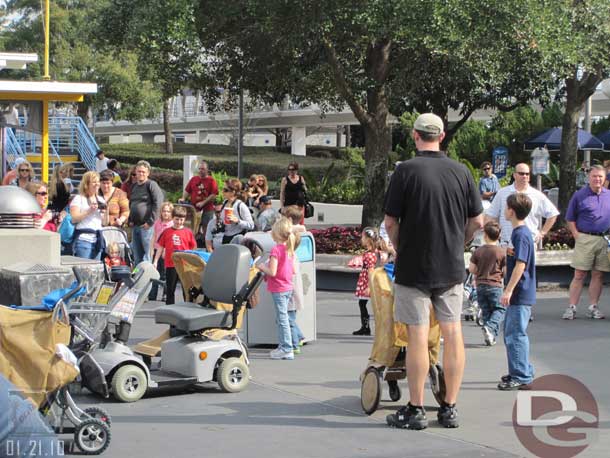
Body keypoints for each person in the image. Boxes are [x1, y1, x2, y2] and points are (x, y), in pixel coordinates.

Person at [384, 113, 483, 430]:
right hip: (451, 266)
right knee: (453, 333)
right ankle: (449, 408)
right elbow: (477, 222)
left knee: (417, 335)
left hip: (413, 266)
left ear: (415, 136)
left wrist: (400, 248)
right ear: (441, 137)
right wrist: (460, 242)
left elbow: (390, 222)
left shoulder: (405, 171)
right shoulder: (461, 172)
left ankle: (415, 409)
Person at [497, 193, 536, 390]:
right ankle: (520, 369)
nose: (504, 210)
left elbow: (521, 264)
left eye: (506, 207)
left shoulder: (520, 234)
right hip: (521, 292)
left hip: (520, 292)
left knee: (515, 334)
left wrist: (508, 290)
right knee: (512, 332)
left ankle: (521, 375)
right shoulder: (520, 233)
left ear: (511, 211)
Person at [563, 165, 610, 320]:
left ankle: (593, 307)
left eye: (600, 177)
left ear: (605, 179)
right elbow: (570, 218)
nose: (597, 179)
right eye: (594, 176)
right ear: (589, 177)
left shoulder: (608, 195)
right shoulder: (579, 195)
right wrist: (577, 235)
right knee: (579, 274)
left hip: (604, 239)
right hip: (585, 238)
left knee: (598, 275)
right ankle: (571, 307)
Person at [485, 163, 559, 246]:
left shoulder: (536, 195)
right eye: (521, 173)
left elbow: (553, 213)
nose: (525, 176)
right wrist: (492, 235)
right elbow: (490, 215)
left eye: (527, 174)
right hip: (506, 243)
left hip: (528, 243)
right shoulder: (502, 193)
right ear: (514, 175)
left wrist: (542, 233)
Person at [256, 217, 297, 360]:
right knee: (283, 317)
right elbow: (293, 271)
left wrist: (261, 266)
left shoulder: (276, 250)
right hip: (288, 287)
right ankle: (284, 346)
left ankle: (286, 348)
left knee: (282, 318)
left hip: (278, 288)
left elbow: (272, 272)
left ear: (276, 233)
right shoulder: (289, 249)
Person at [468, 221, 506, 346]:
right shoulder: (501, 252)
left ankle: (491, 337)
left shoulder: (478, 251)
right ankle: (490, 328)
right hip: (495, 285)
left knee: (486, 311)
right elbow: (505, 271)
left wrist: (480, 270)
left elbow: (472, 269)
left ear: (485, 235)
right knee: (500, 309)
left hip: (480, 285)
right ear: (499, 236)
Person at [153, 206, 196, 305]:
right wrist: (155, 261)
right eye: (177, 219)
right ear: (172, 218)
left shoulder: (188, 232)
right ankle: (170, 307)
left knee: (187, 288)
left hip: (184, 265)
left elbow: (193, 248)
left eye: (181, 219)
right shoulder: (167, 232)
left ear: (184, 219)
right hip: (170, 264)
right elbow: (160, 247)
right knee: (170, 289)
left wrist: (192, 262)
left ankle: (188, 306)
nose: (179, 222)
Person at [352, 227, 390, 336]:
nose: (361, 239)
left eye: (363, 237)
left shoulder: (369, 255)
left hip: (368, 282)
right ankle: (368, 327)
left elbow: (371, 271)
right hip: (375, 281)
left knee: (363, 303)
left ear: (368, 239)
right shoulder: (377, 253)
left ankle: (366, 327)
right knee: (374, 304)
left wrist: (369, 286)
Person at [128, 160, 164, 264]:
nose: (141, 174)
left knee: (147, 256)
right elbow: (131, 203)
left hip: (147, 226)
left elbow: (158, 203)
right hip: (135, 226)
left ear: (148, 173)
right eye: (139, 171)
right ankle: (138, 278)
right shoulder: (134, 186)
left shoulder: (151, 185)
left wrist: (150, 222)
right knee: (137, 256)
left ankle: (148, 278)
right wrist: (130, 219)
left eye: (143, 172)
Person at [70, 171, 108, 260]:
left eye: (98, 182)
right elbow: (74, 219)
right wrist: (89, 211)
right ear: (86, 184)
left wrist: (106, 210)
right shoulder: (79, 198)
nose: (97, 184)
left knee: (95, 271)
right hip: (83, 239)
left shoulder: (101, 199)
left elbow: (105, 222)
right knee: (84, 270)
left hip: (97, 240)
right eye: (94, 182)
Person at [179, 160, 218, 238]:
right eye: (199, 169)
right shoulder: (194, 179)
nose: (201, 170)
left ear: (207, 170)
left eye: (203, 169)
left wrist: (203, 202)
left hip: (207, 208)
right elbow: (187, 190)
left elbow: (214, 194)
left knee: (206, 227)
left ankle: (206, 244)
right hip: (194, 208)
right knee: (193, 227)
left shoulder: (211, 181)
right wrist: (183, 198)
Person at [148, 202, 174, 301]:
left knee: (165, 274)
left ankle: (165, 294)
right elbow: (154, 235)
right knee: (155, 272)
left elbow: (170, 239)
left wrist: (166, 250)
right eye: (164, 211)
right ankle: (152, 294)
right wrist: (151, 249)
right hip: (156, 248)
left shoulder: (171, 224)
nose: (166, 213)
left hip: (165, 251)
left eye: (168, 211)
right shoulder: (157, 222)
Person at [218, 179, 254, 244]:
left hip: (237, 239)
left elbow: (251, 225)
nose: (222, 191)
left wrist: (237, 221)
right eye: (223, 189)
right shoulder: (224, 203)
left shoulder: (240, 206)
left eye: (225, 190)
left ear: (233, 192)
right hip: (225, 237)